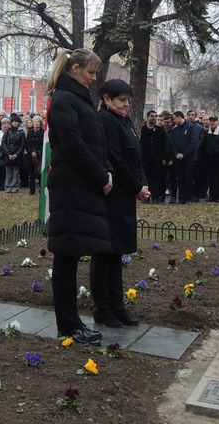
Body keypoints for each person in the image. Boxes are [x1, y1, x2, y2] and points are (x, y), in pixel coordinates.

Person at [45, 48, 111, 346]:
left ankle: (71, 323)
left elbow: (93, 142)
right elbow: (73, 146)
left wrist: (104, 170)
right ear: (74, 69)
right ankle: (68, 325)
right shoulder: (63, 99)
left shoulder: (76, 98)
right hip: (71, 185)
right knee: (66, 256)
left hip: (80, 185)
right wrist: (100, 175)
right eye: (90, 72)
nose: (93, 78)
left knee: (69, 255)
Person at [91, 78, 149, 328]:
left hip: (126, 195)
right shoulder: (105, 120)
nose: (126, 105)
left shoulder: (123, 121)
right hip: (113, 196)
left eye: (128, 100)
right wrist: (137, 187)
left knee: (116, 256)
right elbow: (115, 158)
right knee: (105, 254)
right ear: (106, 99)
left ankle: (118, 307)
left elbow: (135, 154)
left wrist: (142, 183)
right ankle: (102, 308)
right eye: (121, 100)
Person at [1, 114, 26, 193]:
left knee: (15, 172)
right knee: (8, 172)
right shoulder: (8, 131)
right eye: (13, 121)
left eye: (16, 122)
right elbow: (3, 143)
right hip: (8, 154)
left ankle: (14, 187)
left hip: (17, 155)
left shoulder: (21, 132)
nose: (14, 123)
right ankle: (8, 187)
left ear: (19, 123)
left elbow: (22, 145)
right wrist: (8, 153)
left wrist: (16, 154)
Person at [25, 115, 44, 195]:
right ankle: (32, 190)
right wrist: (31, 152)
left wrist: (36, 152)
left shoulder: (43, 132)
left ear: (40, 123)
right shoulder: (30, 132)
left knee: (39, 172)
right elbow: (27, 144)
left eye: (37, 122)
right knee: (31, 172)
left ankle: (41, 189)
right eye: (34, 122)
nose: (36, 123)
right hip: (31, 154)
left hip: (39, 154)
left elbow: (42, 143)